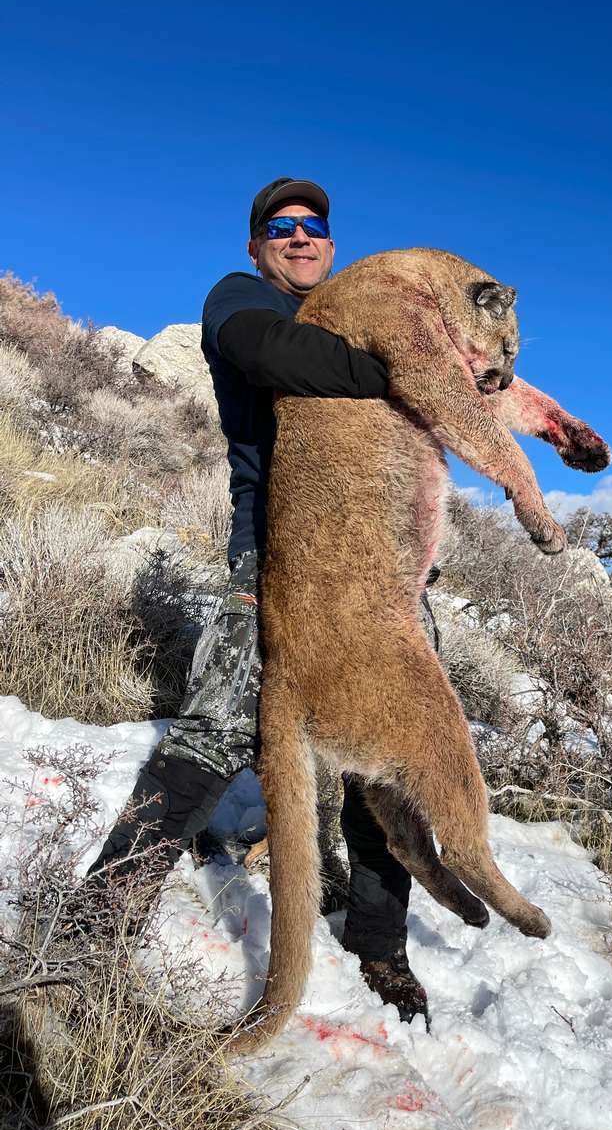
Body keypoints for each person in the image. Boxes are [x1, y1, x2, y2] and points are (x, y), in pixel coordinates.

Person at [87, 177, 433, 1023]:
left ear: (333, 243)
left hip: (381, 566)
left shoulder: (349, 311)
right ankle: (94, 923)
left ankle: (381, 947)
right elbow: (270, 357)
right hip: (279, 554)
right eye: (280, 227)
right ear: (255, 246)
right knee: (214, 730)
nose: (299, 236)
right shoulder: (240, 299)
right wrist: (391, 372)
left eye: (314, 226)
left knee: (392, 751)